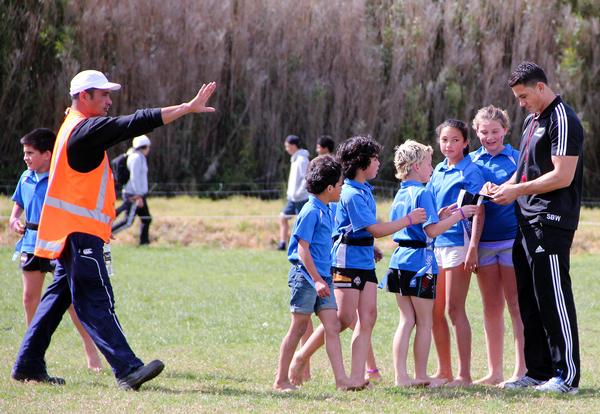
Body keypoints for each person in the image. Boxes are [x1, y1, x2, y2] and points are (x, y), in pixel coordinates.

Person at [11, 69, 216, 390]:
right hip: (79, 235)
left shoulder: (69, 126)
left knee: (53, 302)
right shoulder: (85, 130)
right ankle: (127, 368)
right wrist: (185, 108)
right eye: (103, 94)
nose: (109, 100)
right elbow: (134, 122)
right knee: (94, 298)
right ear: (83, 97)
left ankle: (27, 364)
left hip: (69, 233)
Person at [289, 136, 426, 387]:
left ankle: (356, 377)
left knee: (369, 317)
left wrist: (369, 247)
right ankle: (301, 357)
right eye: (374, 159)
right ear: (362, 163)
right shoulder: (350, 192)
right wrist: (409, 220)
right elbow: (374, 228)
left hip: (364, 261)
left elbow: (358, 228)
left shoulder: (363, 190)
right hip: (346, 262)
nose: (378, 163)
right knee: (342, 319)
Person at [489, 62, 583, 394]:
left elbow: (562, 176)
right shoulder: (531, 120)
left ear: (540, 88)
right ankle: (538, 371)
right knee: (528, 299)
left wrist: (518, 190)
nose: (521, 103)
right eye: (517, 97)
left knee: (554, 297)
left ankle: (567, 377)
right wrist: (504, 188)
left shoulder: (564, 119)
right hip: (524, 221)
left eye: (524, 95)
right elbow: (524, 172)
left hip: (551, 220)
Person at [9, 128, 103, 371]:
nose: (26, 158)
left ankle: (90, 349)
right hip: (31, 244)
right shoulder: (25, 177)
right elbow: (18, 203)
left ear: (48, 154)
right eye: (25, 153)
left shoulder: (61, 179)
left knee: (70, 301)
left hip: (58, 244)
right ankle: (32, 351)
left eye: (30, 153)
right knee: (30, 298)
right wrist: (13, 219)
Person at [386, 140, 478, 387]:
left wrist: (444, 214)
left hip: (399, 261)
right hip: (421, 262)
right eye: (428, 162)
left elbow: (423, 223)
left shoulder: (402, 193)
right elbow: (433, 230)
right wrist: (459, 215)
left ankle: (401, 377)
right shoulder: (423, 192)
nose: (432, 167)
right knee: (425, 322)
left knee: (406, 320)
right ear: (416, 166)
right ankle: (421, 376)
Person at [273, 155, 365, 391]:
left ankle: (341, 381)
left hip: (323, 278)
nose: (343, 186)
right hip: (306, 278)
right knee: (299, 328)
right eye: (341, 183)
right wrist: (315, 280)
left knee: (332, 327)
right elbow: (302, 250)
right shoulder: (311, 211)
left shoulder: (327, 209)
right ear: (330, 187)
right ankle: (281, 380)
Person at [469, 105, 525, 386]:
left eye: (495, 131)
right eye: (484, 132)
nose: (489, 137)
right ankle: (494, 372)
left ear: (505, 129)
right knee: (491, 308)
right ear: (476, 132)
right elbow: (465, 201)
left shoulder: (518, 158)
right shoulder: (471, 161)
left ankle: (522, 370)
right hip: (483, 244)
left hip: (513, 240)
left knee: (516, 304)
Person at [427, 120, 485, 387]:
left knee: (454, 308)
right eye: (444, 140)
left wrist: (473, 246)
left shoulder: (470, 171)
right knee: (435, 312)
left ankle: (464, 375)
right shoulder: (436, 170)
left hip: (458, 244)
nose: (448, 145)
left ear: (465, 142)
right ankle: (444, 372)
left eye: (454, 140)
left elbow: (478, 211)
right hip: (434, 246)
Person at [112, 135, 153, 245]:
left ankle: (144, 243)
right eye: (148, 147)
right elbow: (135, 177)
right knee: (128, 222)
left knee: (147, 219)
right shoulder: (136, 158)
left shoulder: (138, 157)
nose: (149, 149)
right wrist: (139, 196)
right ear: (144, 146)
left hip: (139, 195)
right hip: (134, 195)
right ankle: (106, 235)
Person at [277, 135, 310, 251]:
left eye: (288, 146)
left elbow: (306, 178)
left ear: (294, 146)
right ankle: (282, 243)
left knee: (302, 223)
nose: (286, 149)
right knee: (283, 217)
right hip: (293, 198)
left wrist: (299, 193)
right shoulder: (295, 159)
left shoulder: (302, 159)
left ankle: (301, 245)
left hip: (301, 198)